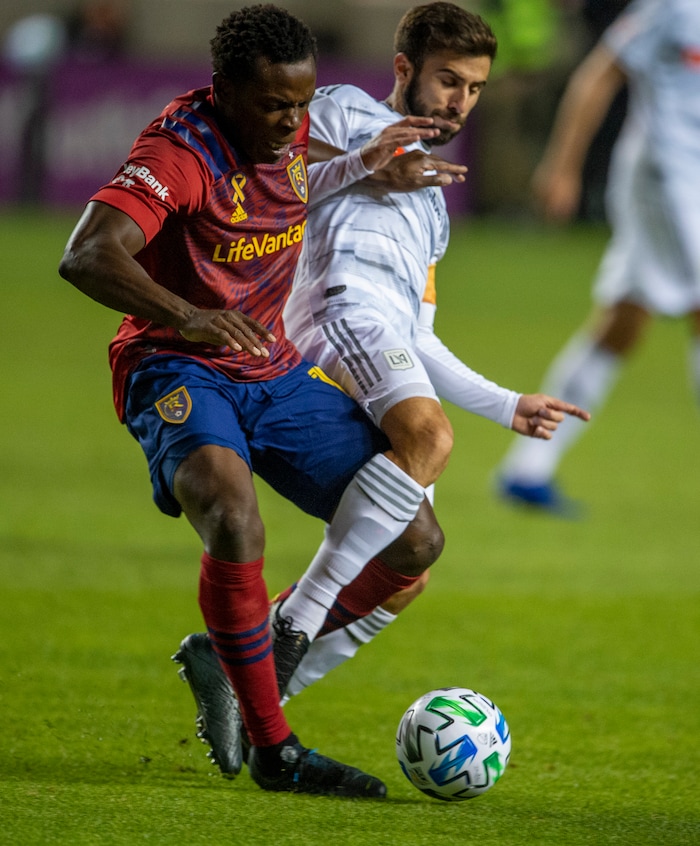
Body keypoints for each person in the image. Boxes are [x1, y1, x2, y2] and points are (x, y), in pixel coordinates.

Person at [175, 1, 589, 775]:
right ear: (404, 70)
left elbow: (418, 337)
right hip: (330, 315)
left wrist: (508, 404)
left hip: (380, 337)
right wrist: (371, 161)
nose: (460, 100)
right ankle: (292, 623)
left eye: (473, 87)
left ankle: (248, 678)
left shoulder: (434, 208)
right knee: (428, 439)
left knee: (410, 565)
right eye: (447, 80)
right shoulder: (341, 109)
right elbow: (272, 176)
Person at [58, 4, 453, 798]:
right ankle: (278, 752)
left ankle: (229, 651)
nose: (293, 122)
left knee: (413, 540)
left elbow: (303, 179)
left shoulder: (291, 130)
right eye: (275, 104)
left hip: (267, 368)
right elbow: (87, 254)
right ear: (224, 90)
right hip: (175, 365)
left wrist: (371, 168)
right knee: (234, 517)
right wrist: (189, 315)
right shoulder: (180, 151)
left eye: (302, 105)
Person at [497, 0, 700, 515]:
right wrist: (563, 166)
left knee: (622, 324)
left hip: (682, 180)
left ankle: (527, 469)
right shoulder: (675, 6)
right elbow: (600, 72)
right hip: (667, 177)